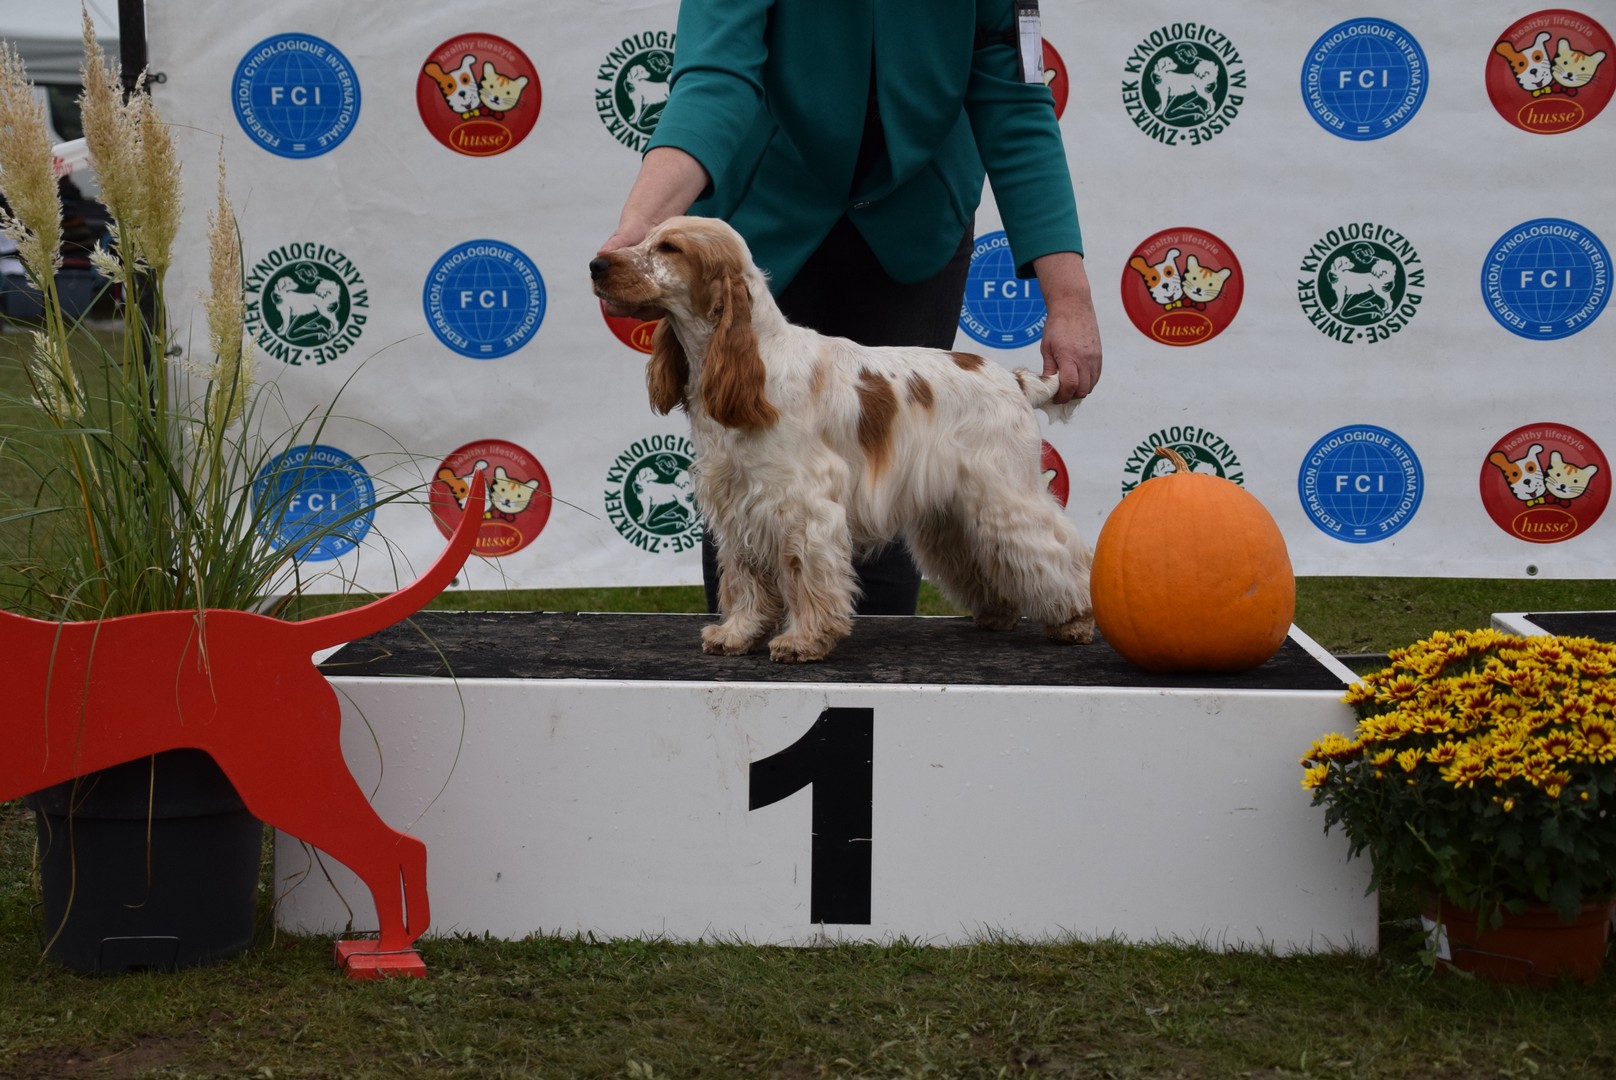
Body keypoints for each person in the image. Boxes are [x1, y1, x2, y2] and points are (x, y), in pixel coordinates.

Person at [597, 0, 1101, 616]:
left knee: (895, 484)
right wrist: (640, 230)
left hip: (918, 218)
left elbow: (1013, 91)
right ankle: (751, 635)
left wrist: (1069, 298)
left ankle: (887, 663)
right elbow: (715, 74)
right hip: (767, 212)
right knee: (748, 473)